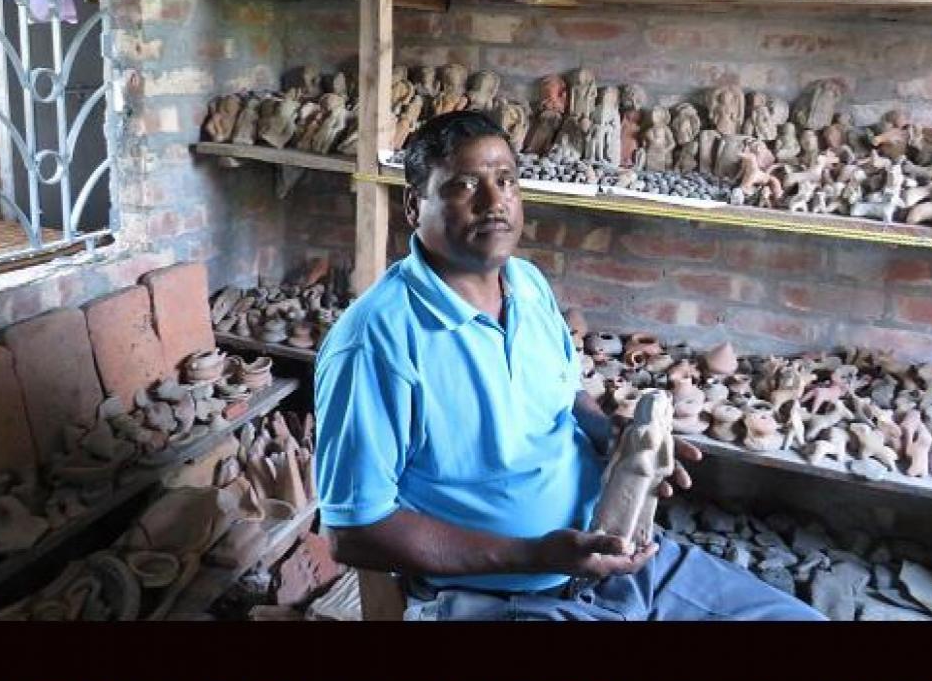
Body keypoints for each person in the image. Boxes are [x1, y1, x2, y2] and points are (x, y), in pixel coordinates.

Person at [314, 111, 821, 621]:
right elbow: (354, 531)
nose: (494, 202)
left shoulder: (527, 285)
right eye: (465, 185)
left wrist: (613, 436)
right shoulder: (375, 342)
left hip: (618, 559)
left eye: (506, 180)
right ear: (413, 205)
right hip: (498, 597)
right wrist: (536, 555)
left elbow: (565, 396)